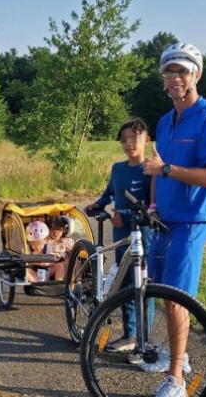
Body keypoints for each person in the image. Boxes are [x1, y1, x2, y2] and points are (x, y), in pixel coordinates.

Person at [142, 42, 206, 397]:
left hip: (193, 220)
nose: (175, 77)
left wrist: (166, 169)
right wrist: (152, 204)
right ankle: (180, 356)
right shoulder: (165, 121)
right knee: (163, 291)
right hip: (165, 218)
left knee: (177, 296)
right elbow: (155, 169)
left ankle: (176, 381)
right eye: (169, 71)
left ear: (197, 74)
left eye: (182, 70)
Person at [84, 117, 152, 354]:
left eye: (135, 138)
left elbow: (151, 205)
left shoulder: (150, 170)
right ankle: (130, 335)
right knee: (124, 286)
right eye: (124, 139)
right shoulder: (118, 168)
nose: (129, 143)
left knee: (142, 287)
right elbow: (109, 193)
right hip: (121, 234)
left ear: (147, 140)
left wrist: (123, 212)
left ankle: (144, 339)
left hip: (143, 236)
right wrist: (97, 204)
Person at [45, 216, 75, 280]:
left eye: (59, 229)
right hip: (50, 267)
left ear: (63, 230)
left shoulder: (66, 241)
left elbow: (73, 253)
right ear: (49, 229)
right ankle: (60, 284)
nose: (56, 232)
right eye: (53, 229)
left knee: (76, 262)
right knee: (60, 265)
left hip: (66, 266)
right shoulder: (45, 242)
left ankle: (78, 282)